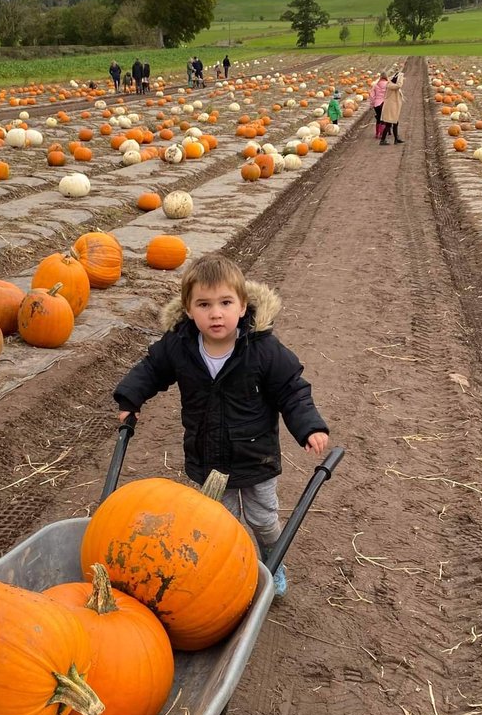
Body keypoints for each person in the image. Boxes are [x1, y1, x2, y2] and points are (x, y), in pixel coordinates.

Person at [114, 253, 330, 599]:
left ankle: (273, 562)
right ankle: (233, 573)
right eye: (204, 304)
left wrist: (309, 427)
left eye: (225, 302)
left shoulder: (262, 349)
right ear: (188, 310)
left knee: (263, 519)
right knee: (220, 526)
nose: (216, 313)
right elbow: (151, 369)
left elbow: (292, 389)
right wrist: (130, 400)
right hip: (208, 457)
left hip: (254, 456)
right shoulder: (179, 346)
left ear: (243, 306)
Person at [378, 73, 404, 145]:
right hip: (390, 107)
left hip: (392, 106)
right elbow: (398, 86)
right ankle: (382, 140)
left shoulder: (391, 84)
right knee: (389, 124)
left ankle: (396, 139)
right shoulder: (390, 85)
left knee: (395, 123)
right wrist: (401, 78)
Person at [367, 72, 388, 139]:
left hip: (377, 103)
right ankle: (382, 133)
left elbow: (372, 95)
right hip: (384, 103)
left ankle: (377, 133)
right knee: (383, 119)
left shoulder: (376, 85)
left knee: (378, 118)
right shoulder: (388, 85)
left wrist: (372, 103)